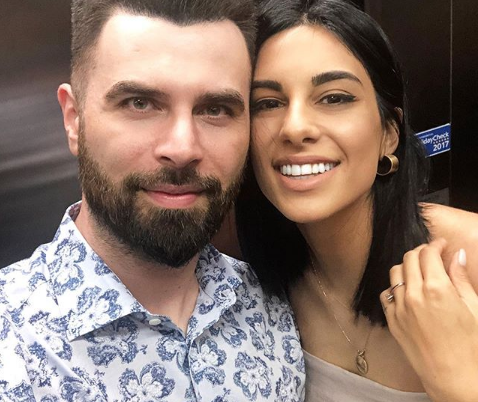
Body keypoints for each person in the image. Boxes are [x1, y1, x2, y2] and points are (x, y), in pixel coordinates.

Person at [0, 1, 305, 400]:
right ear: (74, 119)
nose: (182, 149)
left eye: (215, 109)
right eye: (139, 103)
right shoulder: (12, 345)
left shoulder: (274, 308)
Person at [236, 0, 478, 400]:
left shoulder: (466, 260)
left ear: (389, 133)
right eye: (268, 103)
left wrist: (462, 380)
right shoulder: (253, 284)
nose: (294, 127)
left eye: (334, 98)